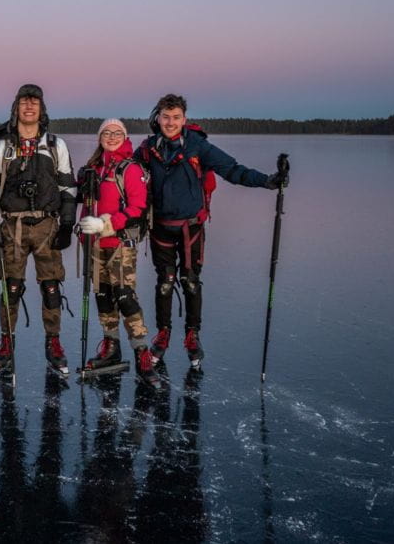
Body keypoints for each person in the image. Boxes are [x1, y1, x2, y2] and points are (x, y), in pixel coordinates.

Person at [137, 94, 288, 370]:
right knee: (165, 282)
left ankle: (192, 335)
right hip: (160, 228)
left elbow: (233, 170)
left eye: (176, 117)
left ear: (184, 119)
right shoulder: (147, 149)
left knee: (191, 281)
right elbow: (127, 175)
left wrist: (268, 181)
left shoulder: (198, 146)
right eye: (165, 116)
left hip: (191, 229)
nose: (170, 122)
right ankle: (163, 333)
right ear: (157, 117)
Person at [0, 84, 77, 378]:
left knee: (50, 287)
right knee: (11, 287)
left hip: (47, 225)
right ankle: (7, 343)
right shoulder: (1, 147)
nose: (29, 106)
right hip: (12, 226)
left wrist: (68, 224)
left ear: (41, 109)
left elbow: (68, 186)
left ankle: (54, 341)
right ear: (16, 108)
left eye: (35, 102)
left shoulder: (55, 144)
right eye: (24, 101)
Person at [77, 119, 161, 388]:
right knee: (103, 296)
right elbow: (84, 202)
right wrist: (81, 229)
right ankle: (111, 346)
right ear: (100, 136)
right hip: (94, 246)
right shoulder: (94, 168)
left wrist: (105, 224)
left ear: (124, 137)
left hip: (120, 244)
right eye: (106, 132)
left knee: (125, 297)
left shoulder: (131, 168)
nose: (111, 137)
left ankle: (142, 353)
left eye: (117, 133)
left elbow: (138, 207)